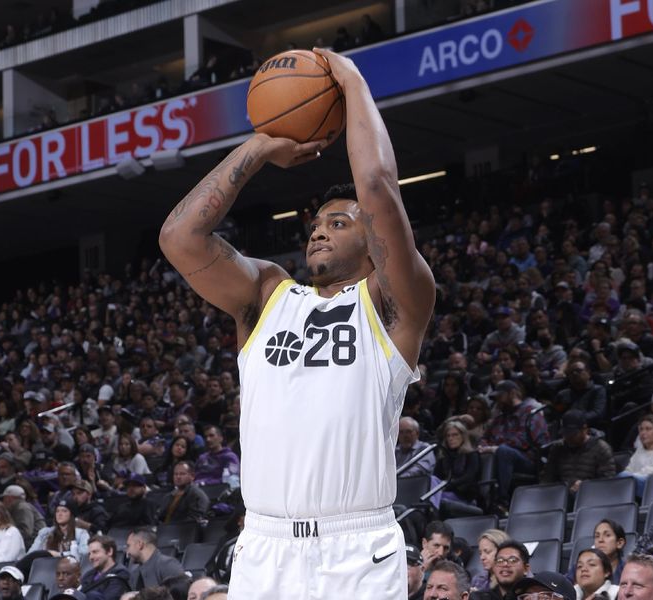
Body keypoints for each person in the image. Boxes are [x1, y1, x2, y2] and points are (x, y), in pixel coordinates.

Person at [158, 47, 434, 600]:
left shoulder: (393, 303)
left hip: (357, 547)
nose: (318, 231)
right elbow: (179, 238)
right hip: (264, 544)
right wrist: (260, 144)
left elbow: (377, 185)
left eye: (339, 221)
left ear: (370, 240)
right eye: (314, 224)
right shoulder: (267, 296)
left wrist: (352, 81)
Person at [479, 380, 549, 514]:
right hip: (497, 459)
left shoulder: (530, 413)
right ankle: (481, 500)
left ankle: (502, 501)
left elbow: (523, 441)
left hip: (528, 461)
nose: (497, 402)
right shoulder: (499, 418)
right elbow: (484, 438)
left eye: (500, 397)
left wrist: (495, 448)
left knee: (504, 452)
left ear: (512, 394)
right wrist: (484, 447)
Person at [542, 409, 617, 501]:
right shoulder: (557, 448)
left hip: (591, 498)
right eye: (566, 434)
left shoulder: (601, 448)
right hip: (561, 498)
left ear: (584, 430)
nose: (569, 437)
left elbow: (608, 482)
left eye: (573, 434)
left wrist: (586, 485)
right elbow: (547, 478)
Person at [435, 420, 481, 517]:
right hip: (445, 491)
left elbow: (469, 477)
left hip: (464, 495)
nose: (451, 438)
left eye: (455, 435)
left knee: (435, 500)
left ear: (463, 436)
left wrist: (447, 485)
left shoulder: (472, 455)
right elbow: (436, 477)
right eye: (448, 436)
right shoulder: (443, 457)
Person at [80, 535, 131, 600]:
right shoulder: (88, 575)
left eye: (95, 552)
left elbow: (109, 598)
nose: (91, 557)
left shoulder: (120, 574)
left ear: (109, 551)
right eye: (89, 554)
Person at [1, 484, 46, 549]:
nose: (3, 501)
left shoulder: (22, 507)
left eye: (4, 498)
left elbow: (26, 532)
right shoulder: (17, 507)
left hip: (34, 543)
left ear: (9, 498)